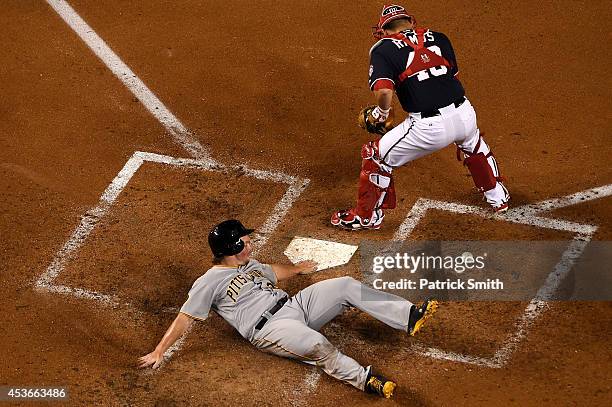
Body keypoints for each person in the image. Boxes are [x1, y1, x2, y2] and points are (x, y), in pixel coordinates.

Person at [138, 219, 438, 398]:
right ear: (230, 249)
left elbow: (274, 272)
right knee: (318, 344)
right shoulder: (208, 282)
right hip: (270, 329)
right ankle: (365, 379)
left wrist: (296, 269)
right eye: (245, 241)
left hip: (295, 306)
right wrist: (160, 350)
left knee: (344, 284)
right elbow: (186, 316)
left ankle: (407, 316)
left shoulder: (250, 265)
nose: (250, 243)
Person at [331, 4, 510, 230]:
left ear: (384, 30)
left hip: (428, 127)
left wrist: (382, 113)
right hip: (465, 113)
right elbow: (450, 77)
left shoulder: (383, 48)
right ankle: (498, 198)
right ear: (410, 22)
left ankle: (366, 216)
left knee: (375, 156)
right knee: (473, 145)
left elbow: (385, 91)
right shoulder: (440, 38)